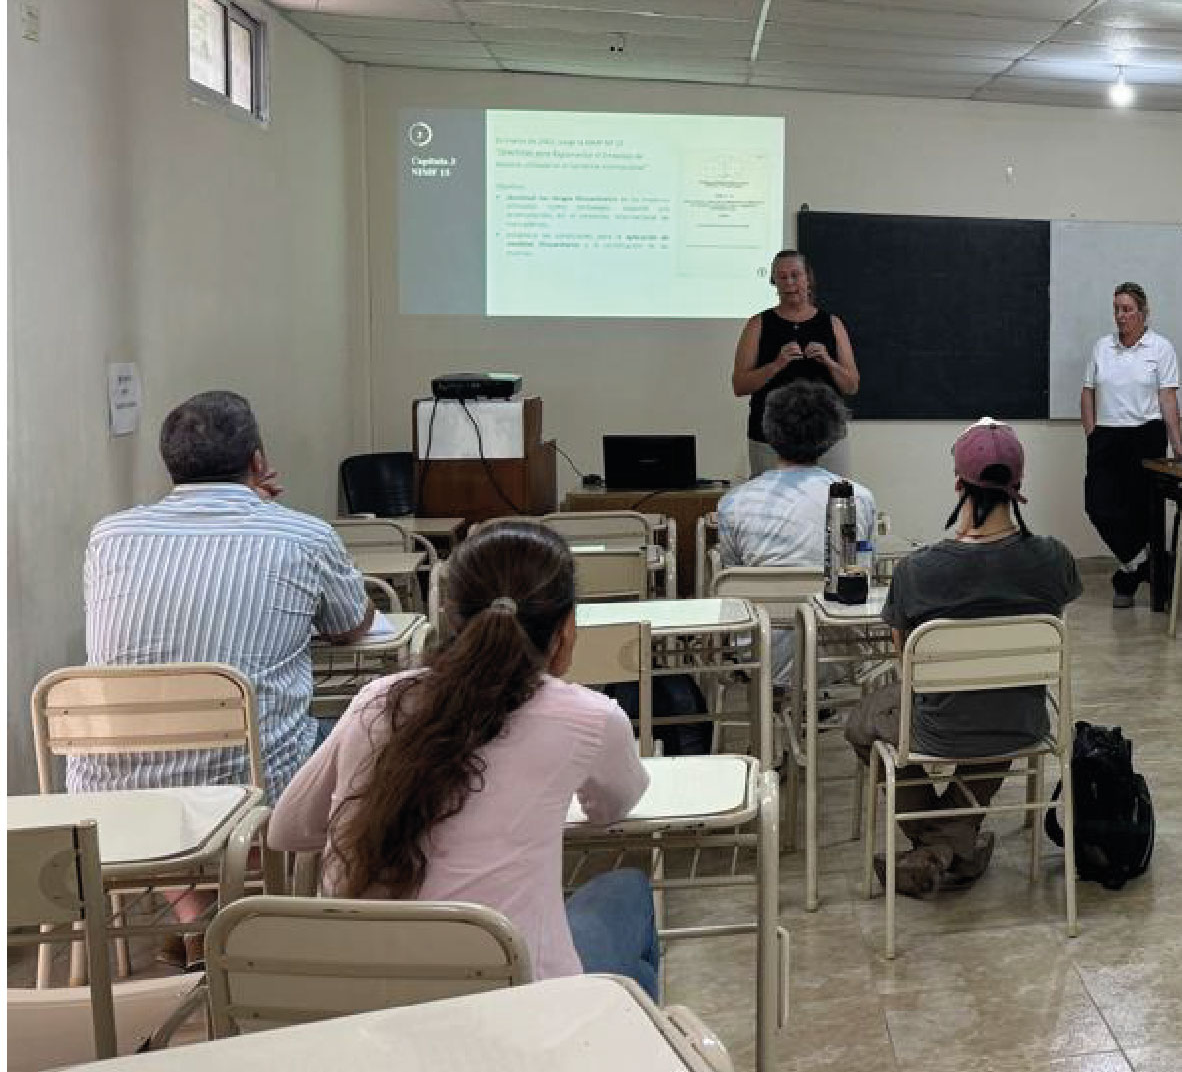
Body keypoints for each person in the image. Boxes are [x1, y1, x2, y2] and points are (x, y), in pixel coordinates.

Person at [271, 522, 662, 997]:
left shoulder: (380, 700)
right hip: (514, 1002)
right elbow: (615, 807)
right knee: (628, 892)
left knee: (628, 979)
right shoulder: (590, 718)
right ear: (565, 630)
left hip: (364, 1002)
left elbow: (287, 828)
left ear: (448, 616)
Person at [79, 391, 374, 794]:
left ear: (171, 465)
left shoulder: (109, 536)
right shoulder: (305, 537)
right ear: (258, 462)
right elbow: (351, 626)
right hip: (257, 785)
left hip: (113, 794)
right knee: (375, 738)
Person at [845, 419, 1081, 898]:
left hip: (941, 728)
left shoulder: (918, 570)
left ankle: (934, 847)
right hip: (1024, 719)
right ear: (1019, 487)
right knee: (993, 708)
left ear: (958, 484)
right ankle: (953, 846)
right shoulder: (1054, 558)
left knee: (864, 721)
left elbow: (903, 659)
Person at [716, 382, 879, 691]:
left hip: (760, 652)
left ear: (769, 430)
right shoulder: (859, 498)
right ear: (831, 434)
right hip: (838, 650)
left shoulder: (734, 503)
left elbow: (733, 583)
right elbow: (862, 570)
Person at [1080, 281, 1182, 609]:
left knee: (1143, 511)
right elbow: (1087, 392)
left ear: (1142, 312)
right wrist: (1092, 433)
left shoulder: (1161, 348)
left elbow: (1167, 398)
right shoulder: (1102, 347)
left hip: (1146, 435)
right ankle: (1148, 566)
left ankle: (1127, 579)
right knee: (1098, 505)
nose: (1120, 316)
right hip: (1108, 436)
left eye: (1126, 309)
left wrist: (1178, 447)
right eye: (1116, 310)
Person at [733, 249, 859, 478]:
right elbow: (739, 385)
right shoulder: (758, 324)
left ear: (808, 278)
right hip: (769, 439)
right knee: (770, 505)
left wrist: (829, 362)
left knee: (834, 501)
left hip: (827, 436)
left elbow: (851, 385)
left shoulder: (832, 324)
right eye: (782, 277)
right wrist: (776, 364)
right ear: (774, 282)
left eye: (795, 275)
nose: (790, 283)